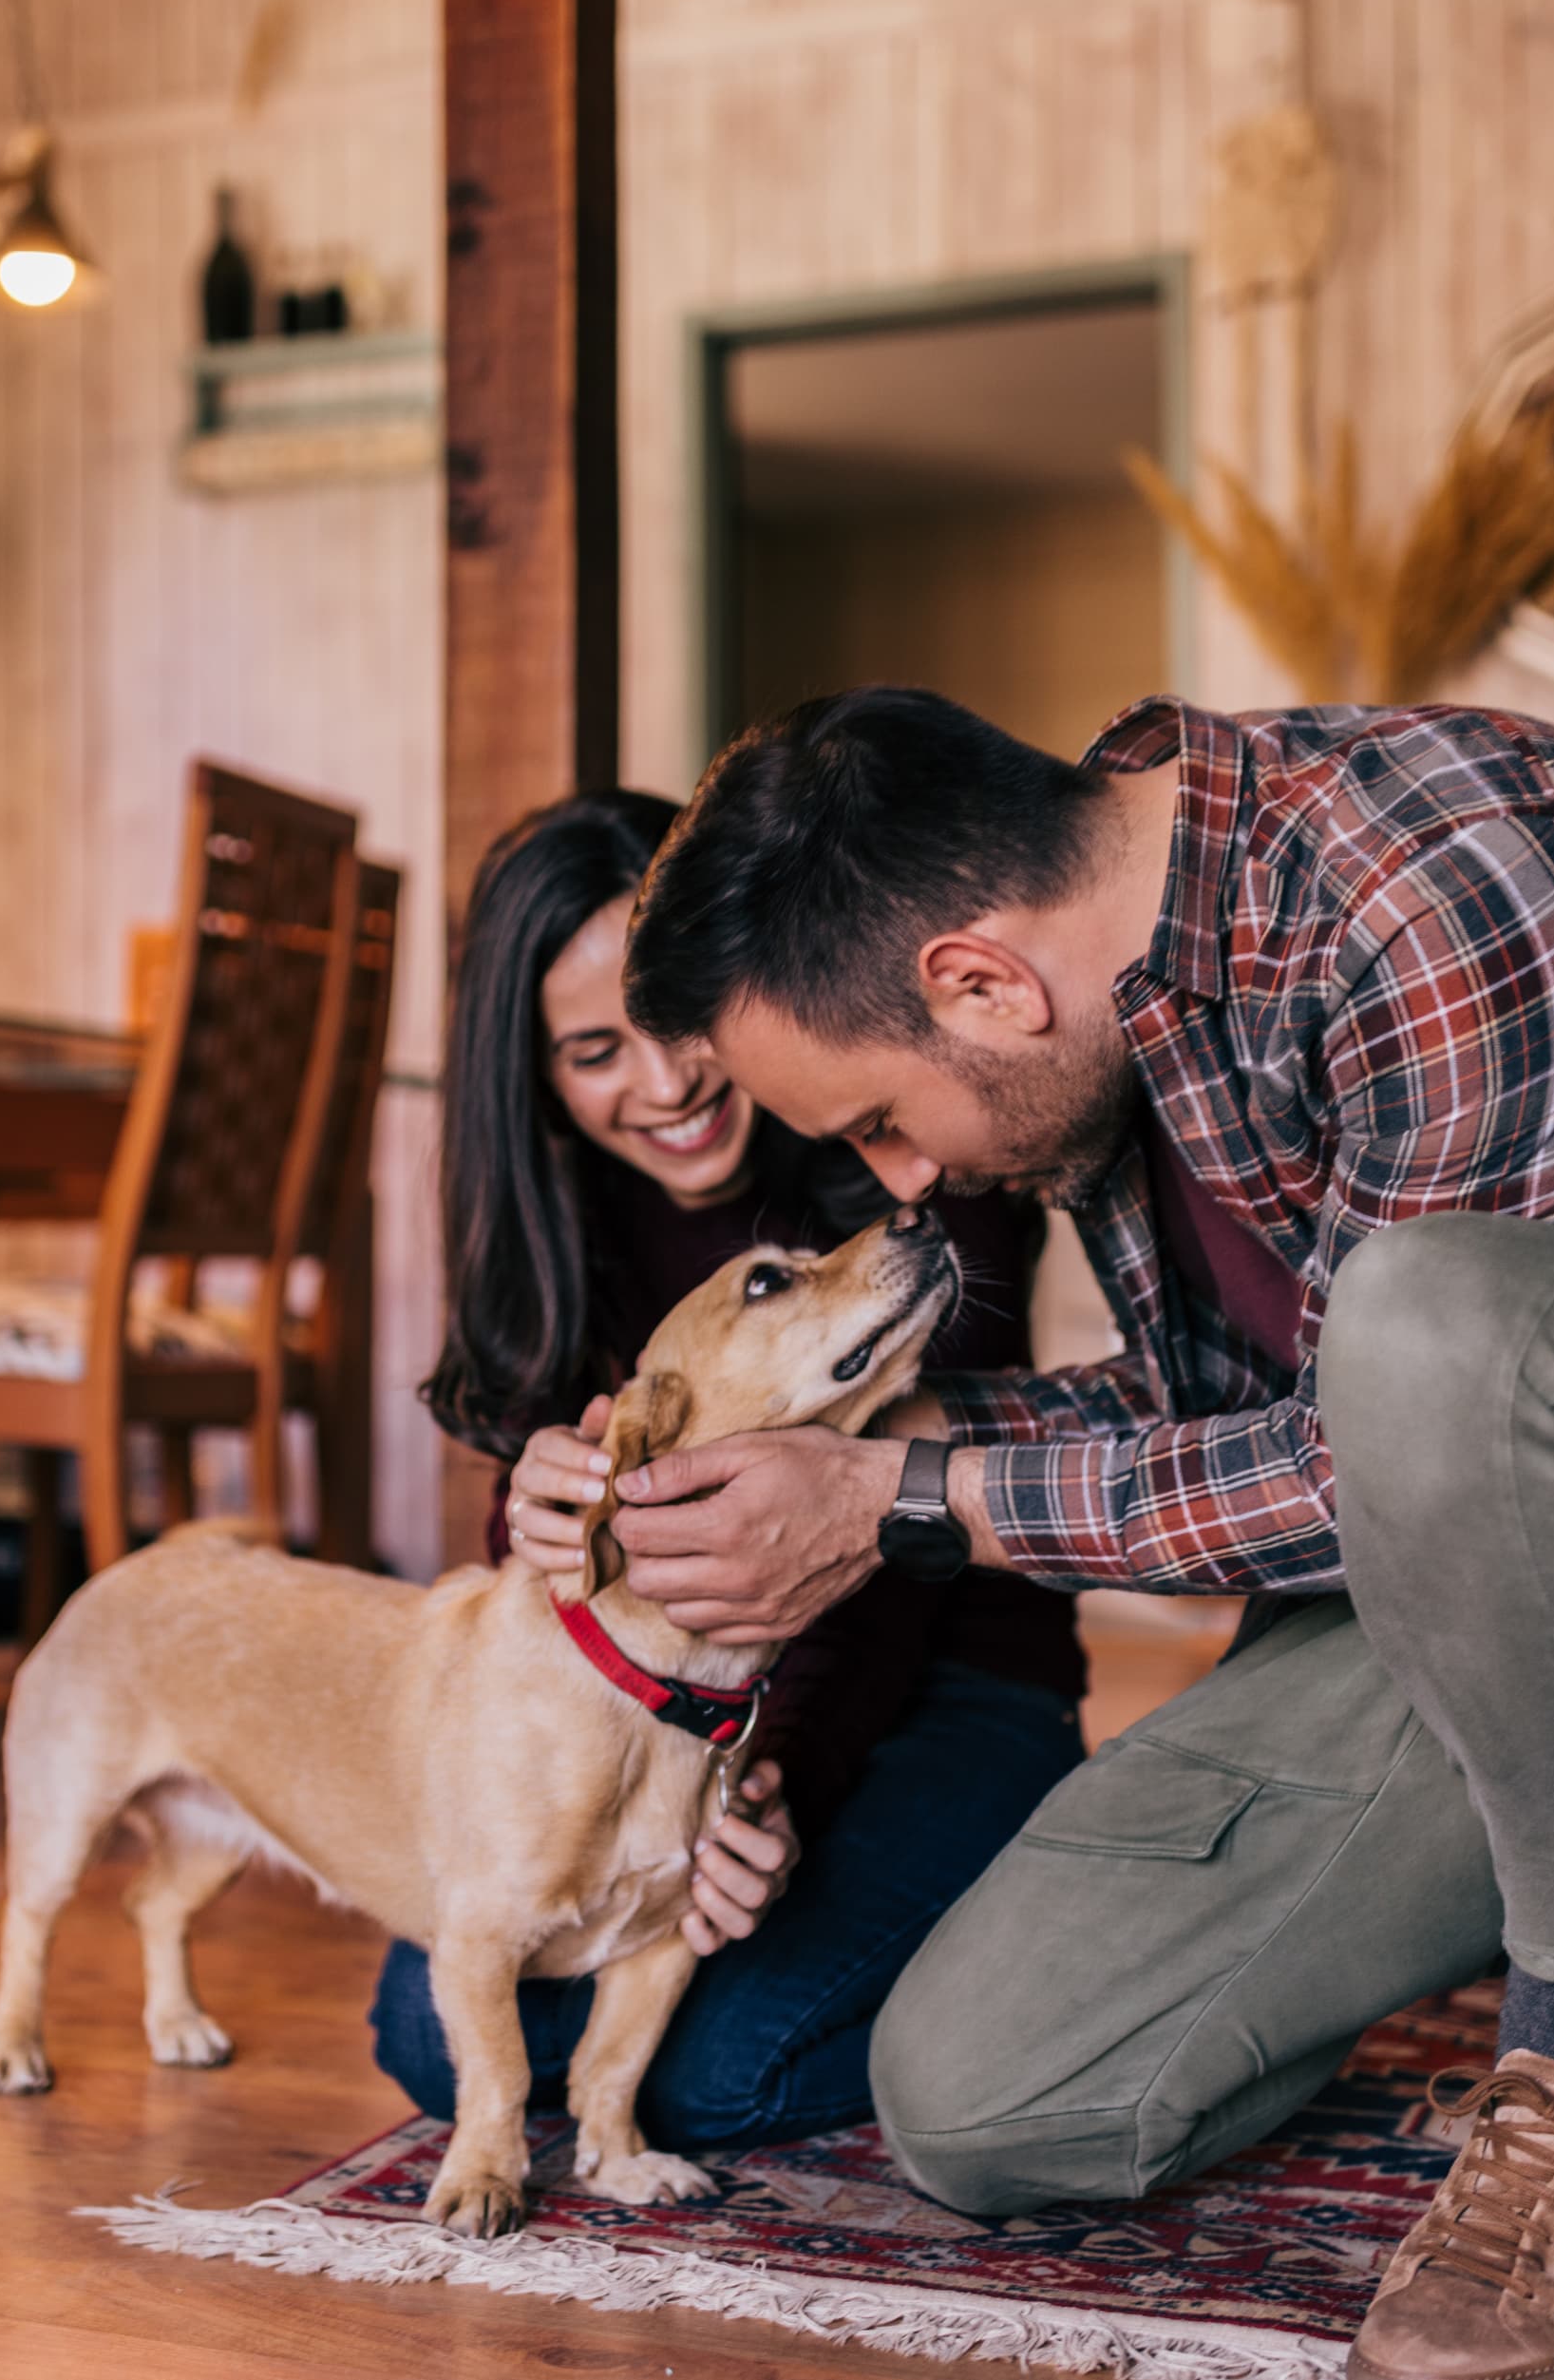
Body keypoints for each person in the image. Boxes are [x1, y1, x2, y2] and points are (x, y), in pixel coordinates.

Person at [601, 690, 1554, 2380]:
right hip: (1523, 1601)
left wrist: (918, 1504)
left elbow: (1387, 1431)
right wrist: (840, 1458)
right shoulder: (1124, 1021)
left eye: (878, 1123)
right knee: (984, 2091)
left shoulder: (1453, 876)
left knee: (1421, 1321)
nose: (904, 1182)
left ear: (984, 982)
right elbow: (1240, 1442)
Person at [369, 789, 1090, 2152]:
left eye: (678, 1017)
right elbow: (555, 1587)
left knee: (714, 2070)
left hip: (939, 1677)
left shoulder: (913, 1148)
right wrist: (537, 1509)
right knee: (440, 2027)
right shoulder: (552, 1217)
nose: (666, 1082)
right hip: (656, 1728)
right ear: (536, 1077)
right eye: (593, 1050)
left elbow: (886, 1574)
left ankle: (1063, 1966)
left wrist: (767, 1787)